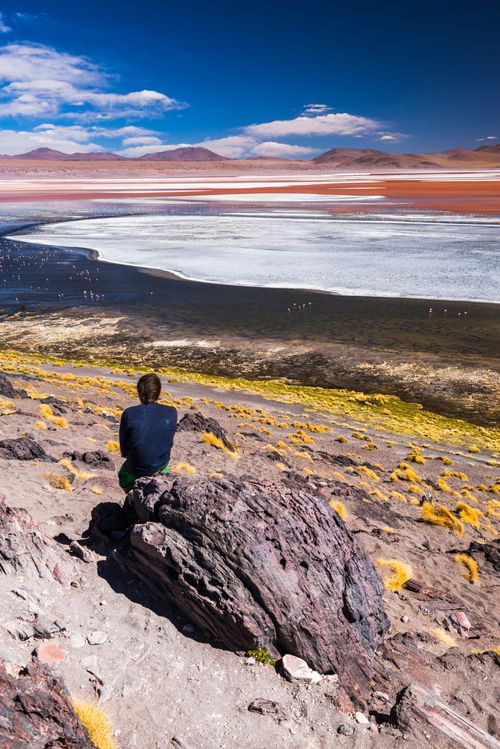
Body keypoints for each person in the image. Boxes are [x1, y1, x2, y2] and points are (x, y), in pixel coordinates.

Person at [118, 373, 177, 493]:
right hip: (160, 466)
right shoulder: (172, 412)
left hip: (135, 469)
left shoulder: (129, 413)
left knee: (123, 477)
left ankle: (133, 498)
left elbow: (124, 450)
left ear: (140, 392)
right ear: (158, 393)